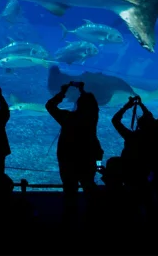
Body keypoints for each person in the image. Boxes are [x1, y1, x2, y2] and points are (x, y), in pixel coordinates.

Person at [46, 82, 103, 222]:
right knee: (89, 185)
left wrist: (62, 92)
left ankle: (69, 218)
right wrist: (83, 90)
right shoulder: (92, 118)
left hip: (68, 160)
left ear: (77, 104)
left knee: (70, 190)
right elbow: (91, 105)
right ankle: (95, 216)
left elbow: (50, 106)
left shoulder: (68, 118)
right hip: (88, 157)